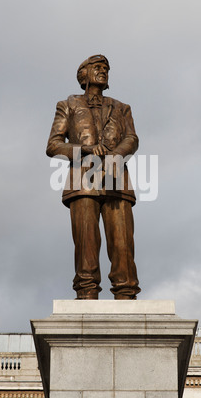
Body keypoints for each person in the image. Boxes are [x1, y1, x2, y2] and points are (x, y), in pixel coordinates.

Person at [46, 54, 141, 300]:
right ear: (83, 74)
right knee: (86, 243)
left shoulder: (121, 107)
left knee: (122, 243)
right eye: (97, 67)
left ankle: (126, 292)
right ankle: (86, 293)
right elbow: (54, 145)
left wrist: (115, 155)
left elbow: (132, 138)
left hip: (116, 180)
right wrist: (85, 150)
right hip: (82, 180)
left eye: (106, 68)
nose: (103, 71)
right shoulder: (67, 104)